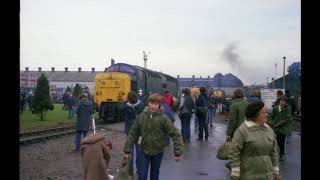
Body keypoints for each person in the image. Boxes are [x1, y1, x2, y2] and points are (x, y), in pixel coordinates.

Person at [123, 93, 184, 180]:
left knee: (154, 174)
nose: (153, 106)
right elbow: (132, 133)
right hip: (143, 150)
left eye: (156, 104)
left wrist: (177, 152)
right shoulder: (141, 117)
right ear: (148, 103)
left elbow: (175, 134)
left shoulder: (164, 119)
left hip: (158, 151)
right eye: (151, 103)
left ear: (159, 105)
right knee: (142, 175)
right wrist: (127, 150)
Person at [228, 101, 280, 180]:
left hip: (267, 175)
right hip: (248, 175)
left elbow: (272, 152)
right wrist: (235, 171)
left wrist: (275, 170)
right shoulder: (242, 131)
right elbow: (234, 151)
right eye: (263, 113)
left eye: (266, 112)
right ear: (255, 115)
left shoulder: (269, 130)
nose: (267, 114)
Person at [121, 91, 145, 177]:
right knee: (140, 151)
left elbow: (120, 108)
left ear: (128, 98)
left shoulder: (125, 107)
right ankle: (139, 170)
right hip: (139, 132)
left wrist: (125, 102)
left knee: (129, 152)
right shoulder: (141, 105)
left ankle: (130, 172)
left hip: (130, 132)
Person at [268, 95, 292, 161]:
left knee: (282, 141)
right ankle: (281, 152)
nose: (282, 102)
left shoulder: (288, 108)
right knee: (278, 141)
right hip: (276, 128)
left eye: (284, 101)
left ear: (285, 102)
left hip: (284, 127)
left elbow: (287, 119)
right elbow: (271, 116)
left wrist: (277, 124)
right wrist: (272, 123)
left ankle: (282, 154)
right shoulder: (276, 108)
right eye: (281, 101)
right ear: (279, 101)